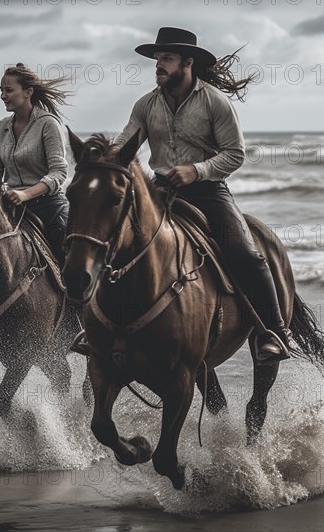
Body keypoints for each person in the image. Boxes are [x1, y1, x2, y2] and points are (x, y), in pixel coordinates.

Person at [115, 27, 294, 365]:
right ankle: (106, 326)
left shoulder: (215, 101)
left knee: (246, 253)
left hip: (208, 191)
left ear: (188, 62)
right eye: (157, 59)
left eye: (166, 58)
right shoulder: (146, 104)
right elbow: (126, 142)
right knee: (117, 240)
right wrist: (106, 158)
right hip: (160, 190)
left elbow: (234, 154)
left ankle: (275, 331)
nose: (159, 65)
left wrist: (196, 170)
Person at [0, 63, 70, 266]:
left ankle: (73, 297)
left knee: (67, 248)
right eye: (1, 90)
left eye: (9, 90)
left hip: (48, 206)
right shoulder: (2, 126)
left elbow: (59, 172)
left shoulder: (48, 124)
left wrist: (25, 194)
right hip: (10, 206)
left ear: (28, 92)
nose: (3, 96)